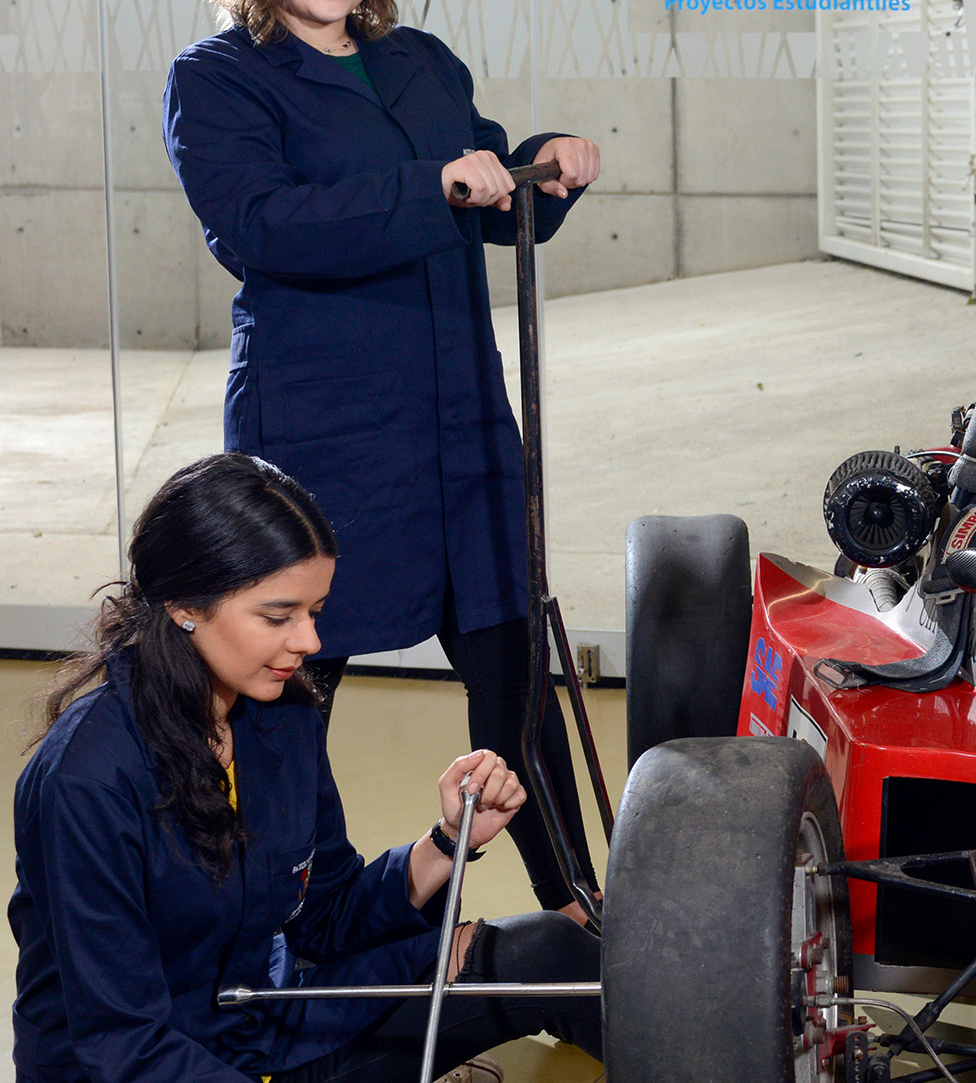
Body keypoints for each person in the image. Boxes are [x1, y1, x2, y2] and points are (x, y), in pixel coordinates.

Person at [161, 0, 605, 912]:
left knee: (515, 676)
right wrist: (434, 188)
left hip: (460, 425)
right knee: (286, 698)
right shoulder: (218, 76)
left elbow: (486, 193)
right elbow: (264, 223)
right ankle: (271, 921)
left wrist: (544, 164)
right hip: (325, 434)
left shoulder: (423, 61)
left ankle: (577, 914)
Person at [10, 454, 601, 1083]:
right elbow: (122, 1043)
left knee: (548, 952)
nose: (310, 642)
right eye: (278, 616)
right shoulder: (86, 778)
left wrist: (448, 842)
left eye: (314, 612)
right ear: (185, 606)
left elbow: (324, 918)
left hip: (266, 1027)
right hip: (150, 1067)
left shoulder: (282, 715)